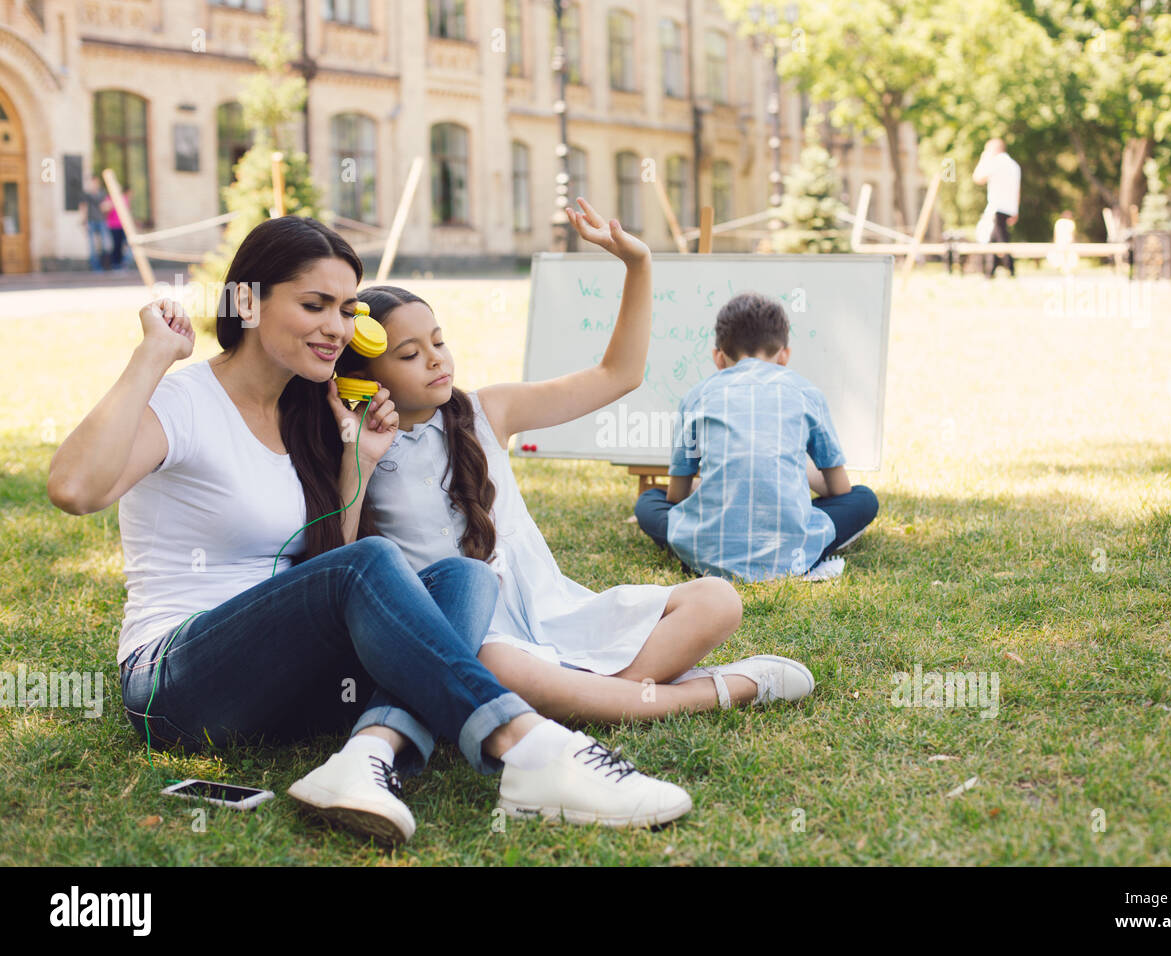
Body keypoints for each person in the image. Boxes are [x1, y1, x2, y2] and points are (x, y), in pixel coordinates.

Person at [45, 215, 693, 844]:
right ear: (247, 300)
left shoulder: (311, 414)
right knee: (373, 564)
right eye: (315, 305)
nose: (336, 328)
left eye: (345, 309)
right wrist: (150, 359)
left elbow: (333, 563)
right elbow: (75, 489)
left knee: (463, 576)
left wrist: (362, 461)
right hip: (179, 683)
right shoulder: (187, 401)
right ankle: (530, 749)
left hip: (284, 681)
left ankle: (366, 758)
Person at [335, 198, 815, 723]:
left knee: (718, 600)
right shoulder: (353, 446)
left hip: (554, 613)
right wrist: (357, 458)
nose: (436, 359)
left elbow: (619, 374)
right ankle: (722, 689)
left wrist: (638, 265)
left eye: (439, 341)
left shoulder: (486, 411)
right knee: (505, 671)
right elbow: (343, 563)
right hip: (475, 637)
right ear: (363, 375)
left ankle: (602, 697)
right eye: (408, 354)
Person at [634, 291, 879, 583]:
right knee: (863, 499)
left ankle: (704, 538)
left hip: (706, 551)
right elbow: (840, 490)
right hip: (792, 551)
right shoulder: (806, 393)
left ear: (719, 357)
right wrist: (797, 470)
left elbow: (675, 496)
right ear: (784, 355)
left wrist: (705, 484)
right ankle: (802, 544)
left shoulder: (696, 396)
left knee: (649, 501)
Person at [972, 137, 1021, 278]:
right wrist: (1015, 211)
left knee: (1001, 241)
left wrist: (983, 158)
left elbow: (978, 177)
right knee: (993, 240)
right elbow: (1018, 190)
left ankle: (1010, 271)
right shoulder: (1014, 165)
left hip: (996, 207)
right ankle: (990, 272)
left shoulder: (996, 162)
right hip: (1008, 208)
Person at [80, 175, 110, 272]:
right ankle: (95, 267)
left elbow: (106, 207)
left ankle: (105, 265)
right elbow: (83, 207)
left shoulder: (102, 193)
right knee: (92, 246)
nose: (94, 184)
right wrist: (84, 221)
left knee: (106, 244)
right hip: (91, 221)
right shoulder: (87, 194)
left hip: (102, 220)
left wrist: (108, 207)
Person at [102, 186, 129, 270]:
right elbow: (103, 209)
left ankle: (123, 262)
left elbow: (127, 211)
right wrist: (110, 204)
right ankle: (116, 264)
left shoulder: (124, 198)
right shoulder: (109, 198)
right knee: (116, 245)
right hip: (113, 225)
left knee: (125, 245)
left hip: (123, 226)